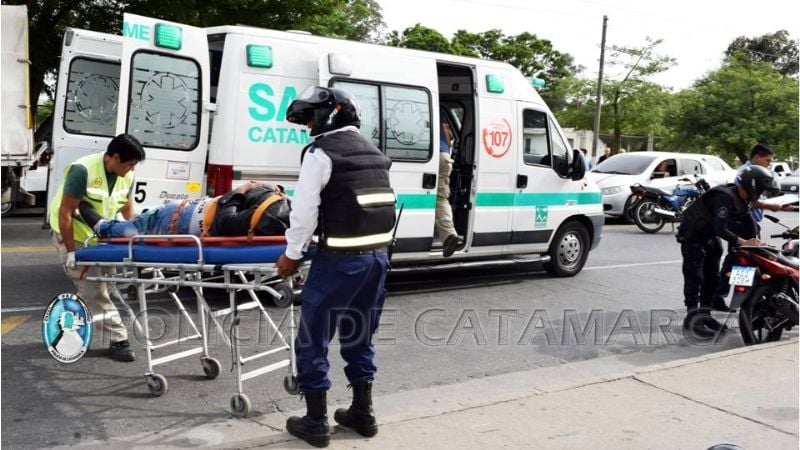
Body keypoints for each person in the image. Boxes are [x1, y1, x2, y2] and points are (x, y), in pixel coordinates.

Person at [275, 86, 396, 447]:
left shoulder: (321, 153)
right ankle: (363, 412)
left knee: (312, 339)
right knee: (359, 335)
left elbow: (304, 211)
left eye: (311, 116)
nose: (309, 123)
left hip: (339, 263)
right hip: (376, 260)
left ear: (331, 113)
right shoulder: (375, 153)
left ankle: (315, 421)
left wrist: (292, 255)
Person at [49, 134, 145, 362]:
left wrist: (134, 238)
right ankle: (119, 340)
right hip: (74, 236)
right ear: (114, 157)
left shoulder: (126, 176)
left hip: (101, 240)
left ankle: (66, 323)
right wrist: (71, 251)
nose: (132, 170)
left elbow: (126, 208)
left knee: (102, 288)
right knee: (96, 292)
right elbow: (65, 213)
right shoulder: (82, 171)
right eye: (129, 164)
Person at [676, 165, 780, 338]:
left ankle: (705, 315)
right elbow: (720, 228)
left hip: (709, 237)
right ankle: (692, 321)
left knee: (712, 278)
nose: (761, 193)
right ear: (752, 186)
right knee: (695, 278)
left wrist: (755, 240)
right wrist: (743, 242)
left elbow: (749, 222)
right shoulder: (724, 197)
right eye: (760, 189)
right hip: (693, 237)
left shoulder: (742, 198)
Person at [711, 143, 791, 310]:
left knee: (745, 260)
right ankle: (722, 294)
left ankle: (741, 296)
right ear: (756, 157)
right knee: (741, 259)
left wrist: (782, 206)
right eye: (767, 160)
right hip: (739, 223)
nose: (769, 164)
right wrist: (772, 207)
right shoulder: (745, 174)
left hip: (749, 222)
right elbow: (750, 202)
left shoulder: (755, 174)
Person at [77, 181, 290, 238]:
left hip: (185, 218)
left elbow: (224, 222)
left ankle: (103, 226)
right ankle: (113, 222)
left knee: (128, 229)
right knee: (142, 222)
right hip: (190, 213)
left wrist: (240, 191)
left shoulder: (270, 214)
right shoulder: (278, 209)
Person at [436, 108, 464, 257]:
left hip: (431, 154)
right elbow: (446, 129)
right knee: (440, 197)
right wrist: (447, 149)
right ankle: (448, 234)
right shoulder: (441, 109)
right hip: (443, 155)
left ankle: (448, 235)